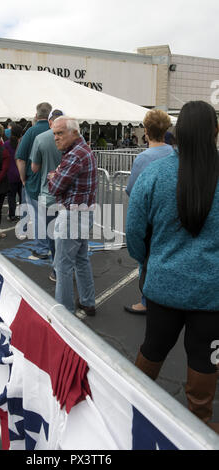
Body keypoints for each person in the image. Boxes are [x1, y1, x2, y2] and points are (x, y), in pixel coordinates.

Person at [126, 101, 219, 431]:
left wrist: (147, 263)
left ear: (174, 133)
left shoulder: (153, 174)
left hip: (163, 287)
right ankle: (199, 426)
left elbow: (135, 231)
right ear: (215, 132)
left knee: (152, 348)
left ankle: (136, 412)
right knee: (205, 361)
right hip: (213, 295)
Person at [124, 109, 173, 315]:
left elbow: (132, 191)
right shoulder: (174, 153)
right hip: (171, 215)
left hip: (150, 218)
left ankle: (146, 300)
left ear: (146, 131)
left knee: (146, 260)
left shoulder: (144, 158)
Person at [48, 116, 98, 317]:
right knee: (81, 260)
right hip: (84, 213)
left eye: (60, 133)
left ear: (74, 133)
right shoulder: (83, 150)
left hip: (72, 216)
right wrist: (57, 175)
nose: (56, 138)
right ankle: (87, 302)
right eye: (55, 134)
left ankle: (64, 315)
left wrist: (54, 176)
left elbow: (55, 187)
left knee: (63, 267)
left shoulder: (74, 155)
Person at [30, 109, 64, 279]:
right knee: (67, 234)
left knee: (52, 234)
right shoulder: (71, 137)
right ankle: (64, 267)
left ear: (50, 121)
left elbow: (34, 168)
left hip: (48, 193)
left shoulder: (41, 138)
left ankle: (57, 269)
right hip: (67, 195)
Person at [15, 102, 52, 252]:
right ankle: (53, 246)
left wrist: (23, 179)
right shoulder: (56, 131)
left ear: (36, 115)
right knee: (53, 215)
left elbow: (21, 159)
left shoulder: (31, 132)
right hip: (55, 181)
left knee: (38, 216)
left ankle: (42, 248)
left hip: (35, 181)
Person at [3, 123, 23, 221]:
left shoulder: (6, 144)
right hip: (21, 173)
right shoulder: (23, 143)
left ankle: (12, 214)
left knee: (11, 196)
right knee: (22, 196)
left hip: (10, 173)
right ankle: (23, 214)